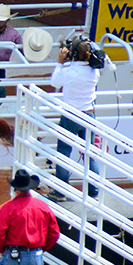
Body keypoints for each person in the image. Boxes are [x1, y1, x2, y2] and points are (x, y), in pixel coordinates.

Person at [48, 37, 103, 200]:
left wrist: (60, 62)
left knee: (64, 152)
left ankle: (61, 190)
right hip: (89, 115)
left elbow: (54, 82)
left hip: (71, 116)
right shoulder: (94, 71)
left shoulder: (68, 71)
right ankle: (93, 190)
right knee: (89, 153)